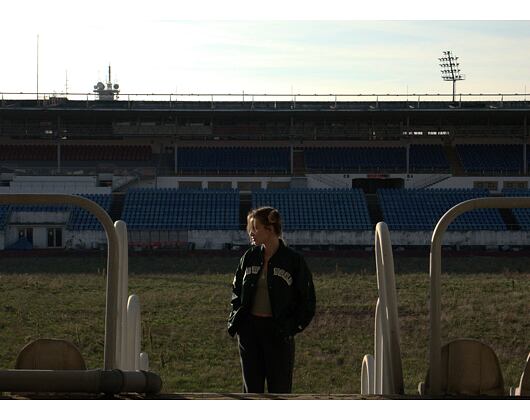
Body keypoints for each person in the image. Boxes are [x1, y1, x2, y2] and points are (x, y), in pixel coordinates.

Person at [227, 206, 316, 393]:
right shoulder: (248, 257)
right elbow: (236, 291)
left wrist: (289, 328)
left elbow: (307, 301)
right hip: (250, 333)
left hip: (278, 334)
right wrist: (238, 320)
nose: (251, 232)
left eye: (256, 227)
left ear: (270, 229)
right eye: (250, 228)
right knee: (252, 392)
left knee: (280, 390)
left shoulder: (293, 261)